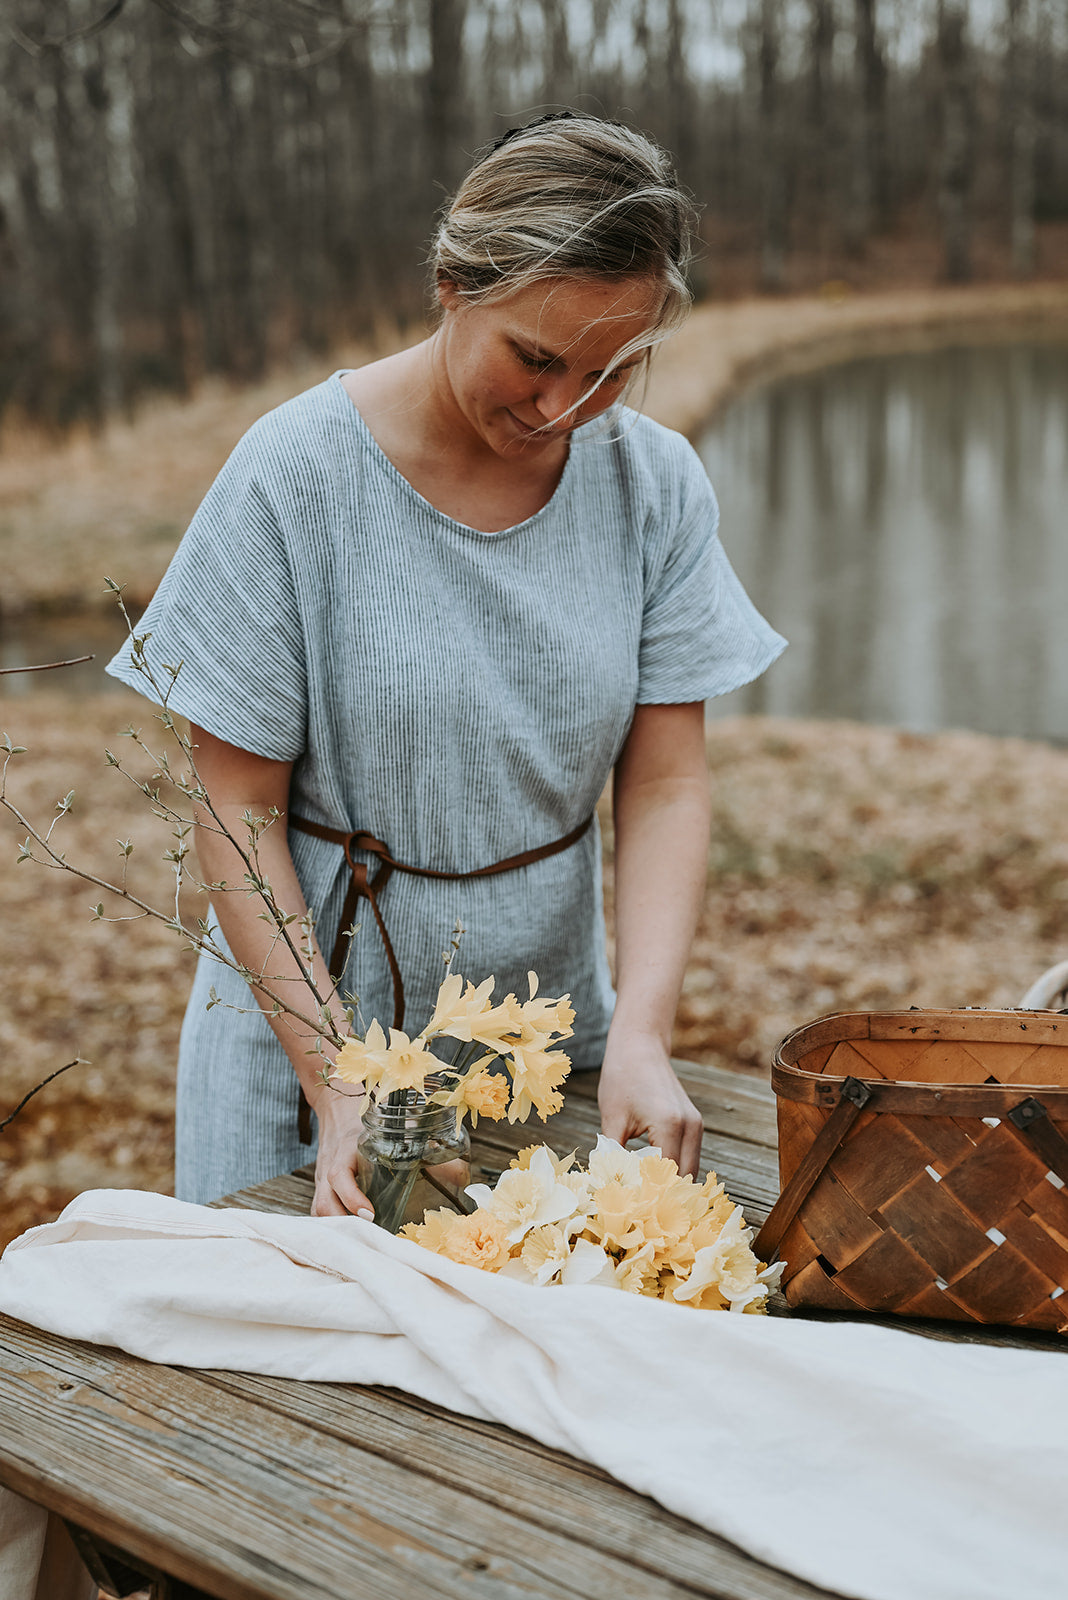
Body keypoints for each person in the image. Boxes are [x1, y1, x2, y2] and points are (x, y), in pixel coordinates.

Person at [107, 112, 785, 1218]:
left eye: (615, 368)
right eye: (537, 357)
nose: (565, 407)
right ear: (452, 285)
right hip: (311, 1039)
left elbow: (665, 783)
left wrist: (647, 1037)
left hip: (551, 1041)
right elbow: (236, 812)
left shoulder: (652, 486)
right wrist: (337, 1075)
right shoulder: (293, 477)